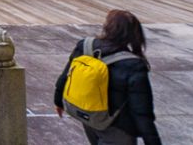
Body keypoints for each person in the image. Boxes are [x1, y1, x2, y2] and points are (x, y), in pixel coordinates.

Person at [54, 9, 162, 145]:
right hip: (118, 129)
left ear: (107, 27)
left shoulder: (86, 46)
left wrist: (58, 101)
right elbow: (141, 112)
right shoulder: (133, 65)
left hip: (90, 118)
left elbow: (66, 76)